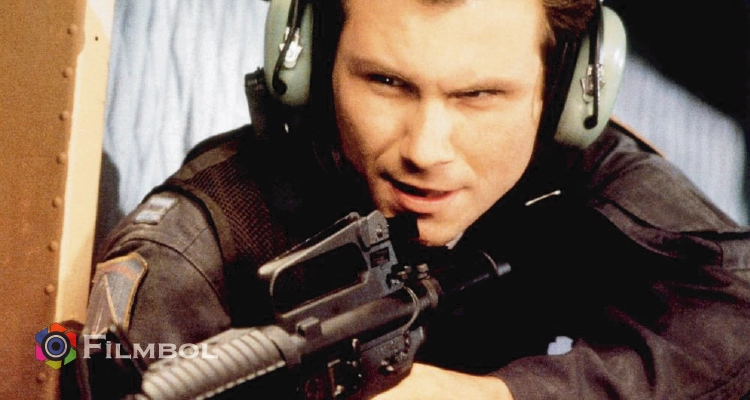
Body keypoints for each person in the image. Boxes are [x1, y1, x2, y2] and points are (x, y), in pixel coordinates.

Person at [79, 0, 750, 398]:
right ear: (311, 65)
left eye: (479, 96)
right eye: (386, 83)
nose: (427, 149)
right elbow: (78, 365)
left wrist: (501, 396)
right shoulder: (197, 249)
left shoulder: (573, 171)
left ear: (565, 96)